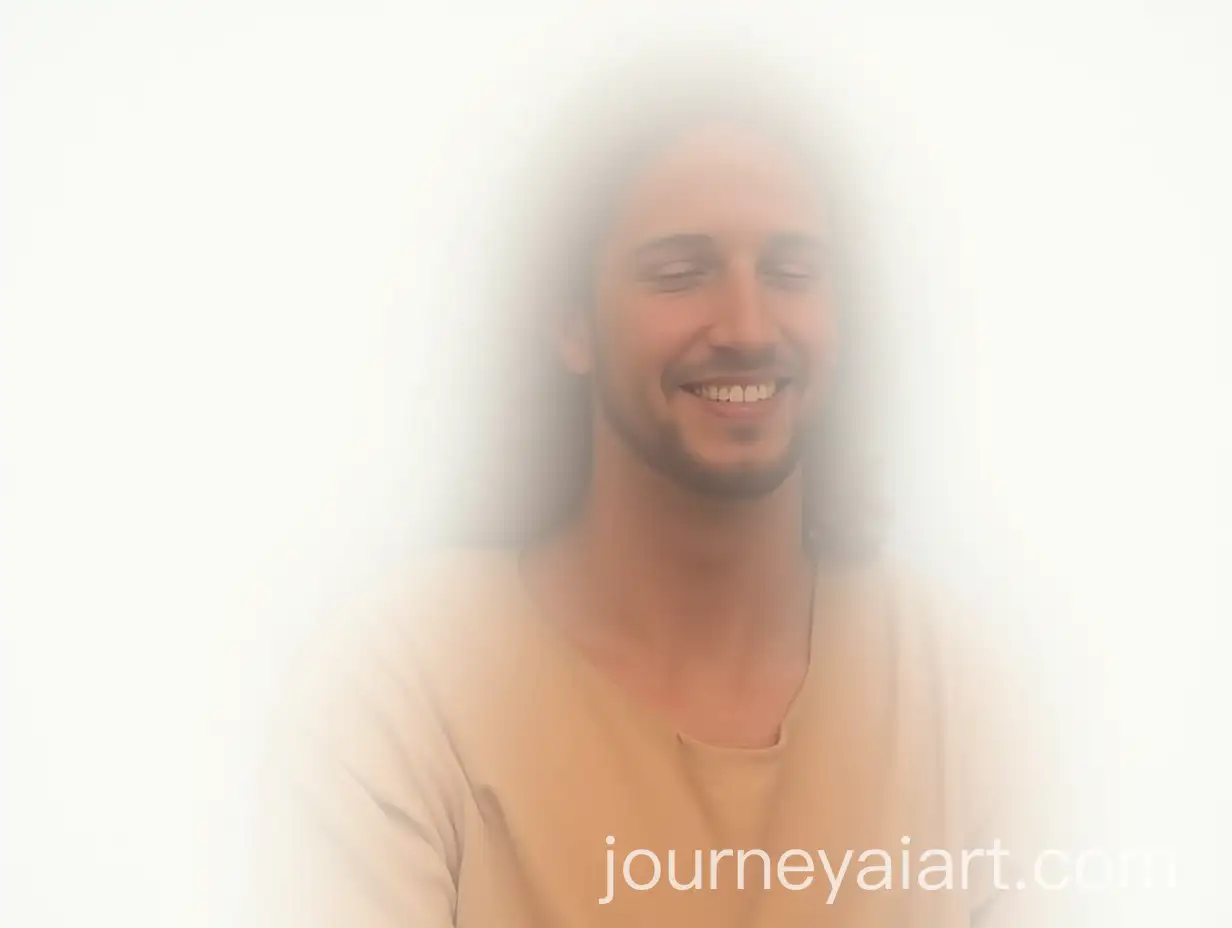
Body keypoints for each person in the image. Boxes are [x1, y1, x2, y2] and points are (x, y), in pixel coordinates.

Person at [250, 51, 1059, 928]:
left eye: (792, 273)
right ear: (571, 322)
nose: (749, 327)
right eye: (679, 274)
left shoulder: (955, 687)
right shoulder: (405, 685)